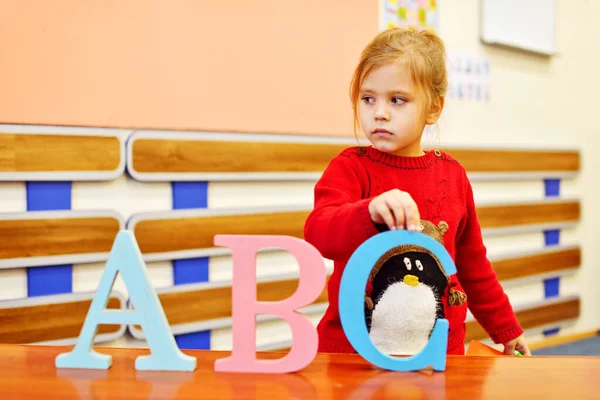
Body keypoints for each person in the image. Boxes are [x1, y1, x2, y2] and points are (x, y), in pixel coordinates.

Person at [303, 27, 530, 356]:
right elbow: (318, 231)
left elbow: (473, 267)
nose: (379, 112)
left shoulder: (453, 177)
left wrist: (506, 329)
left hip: (437, 355)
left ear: (434, 109)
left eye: (397, 100)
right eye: (368, 98)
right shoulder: (349, 167)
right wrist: (367, 212)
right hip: (352, 355)